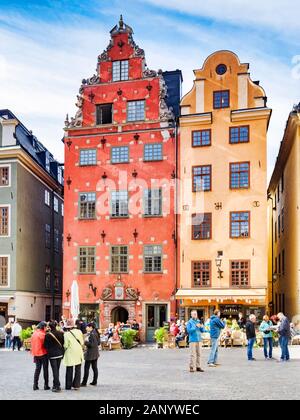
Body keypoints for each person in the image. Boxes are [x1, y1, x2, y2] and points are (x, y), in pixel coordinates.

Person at [63, 319, 84, 390]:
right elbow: (82, 342)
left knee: (69, 369)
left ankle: (68, 386)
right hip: (78, 351)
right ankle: (76, 385)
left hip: (70, 352)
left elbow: (66, 345)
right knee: (78, 368)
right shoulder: (79, 331)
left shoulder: (66, 334)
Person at [44, 320, 64, 392]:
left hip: (52, 355)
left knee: (54, 370)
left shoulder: (47, 335)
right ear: (56, 326)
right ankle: (56, 383)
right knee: (57, 369)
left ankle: (57, 386)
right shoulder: (61, 333)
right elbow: (63, 343)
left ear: (49, 327)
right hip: (59, 353)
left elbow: (45, 346)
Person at [31, 322, 49, 391]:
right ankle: (46, 385)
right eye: (46, 327)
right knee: (45, 369)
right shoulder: (43, 334)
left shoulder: (34, 333)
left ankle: (35, 385)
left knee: (37, 369)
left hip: (36, 354)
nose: (46, 328)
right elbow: (45, 345)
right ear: (43, 327)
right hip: (43, 353)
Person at [81, 323, 100, 387]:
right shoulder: (96, 333)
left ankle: (84, 382)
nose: (86, 328)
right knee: (94, 368)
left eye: (87, 327)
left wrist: (85, 342)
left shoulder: (92, 334)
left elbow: (91, 344)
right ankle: (94, 381)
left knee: (86, 368)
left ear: (91, 327)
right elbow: (98, 343)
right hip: (95, 353)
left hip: (90, 354)